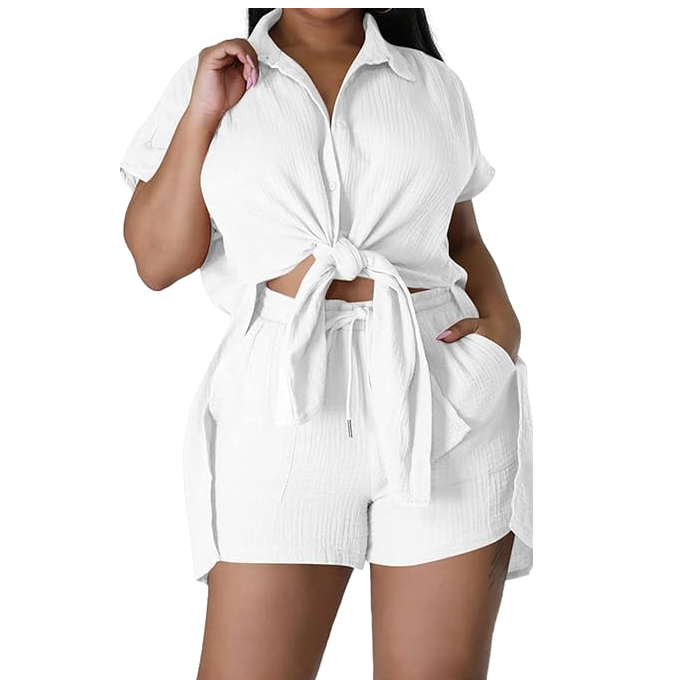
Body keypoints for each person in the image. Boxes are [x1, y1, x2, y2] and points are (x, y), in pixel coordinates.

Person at [119, 8, 533, 679]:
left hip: (442, 391)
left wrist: (503, 330)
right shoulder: (210, 80)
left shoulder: (434, 84)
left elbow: (462, 239)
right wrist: (202, 114)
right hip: (280, 404)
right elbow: (157, 261)